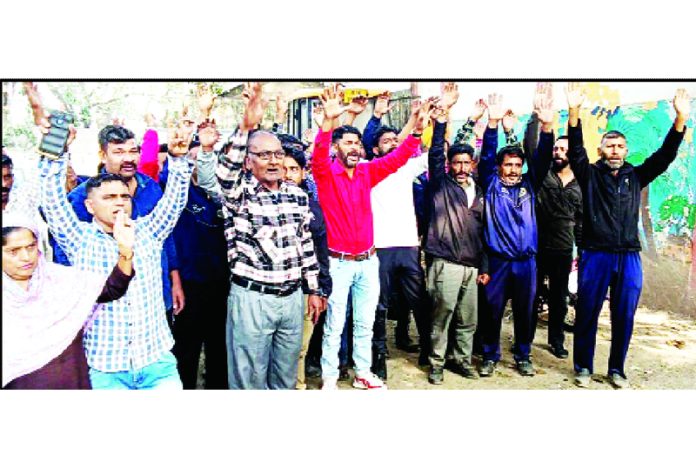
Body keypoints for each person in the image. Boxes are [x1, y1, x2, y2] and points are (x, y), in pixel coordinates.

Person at [39, 117, 195, 390]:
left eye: (123, 197)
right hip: (105, 367)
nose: (119, 203)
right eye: (109, 198)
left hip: (156, 363)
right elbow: (52, 201)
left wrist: (179, 159)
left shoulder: (149, 230)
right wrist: (57, 152)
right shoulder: (78, 238)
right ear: (89, 206)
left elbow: (175, 201)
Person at [566, 84, 691, 388]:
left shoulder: (636, 176)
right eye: (610, 146)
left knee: (624, 316)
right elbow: (575, 149)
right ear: (601, 151)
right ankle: (583, 367)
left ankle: (616, 370)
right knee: (587, 313)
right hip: (595, 254)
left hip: (629, 257)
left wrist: (680, 119)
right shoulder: (589, 174)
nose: (615, 151)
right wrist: (574, 112)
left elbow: (665, 156)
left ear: (626, 151)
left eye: (620, 146)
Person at [311, 84, 430, 390]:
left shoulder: (367, 173)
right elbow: (318, 155)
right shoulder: (325, 175)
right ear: (337, 147)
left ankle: (363, 372)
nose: (353, 148)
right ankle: (329, 377)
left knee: (365, 322)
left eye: (356, 144)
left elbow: (396, 159)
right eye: (347, 143)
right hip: (338, 264)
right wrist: (328, 122)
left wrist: (416, 132)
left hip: (368, 261)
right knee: (335, 325)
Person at [216, 82, 325, 390]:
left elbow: (305, 245)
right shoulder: (239, 194)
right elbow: (225, 173)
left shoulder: (297, 195)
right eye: (264, 155)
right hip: (253, 299)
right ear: (248, 161)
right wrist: (245, 127)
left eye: (278, 154)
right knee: (248, 378)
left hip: (292, 299)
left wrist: (313, 290)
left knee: (285, 379)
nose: (274, 161)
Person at [2, 211, 135, 389]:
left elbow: (112, 288)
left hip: (74, 382)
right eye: (13, 251)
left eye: (31, 247)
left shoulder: (60, 279)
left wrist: (125, 252)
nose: (26, 257)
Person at [477, 87, 555, 377]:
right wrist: (493, 123)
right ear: (499, 168)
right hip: (497, 262)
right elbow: (485, 155)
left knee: (526, 313)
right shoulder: (490, 183)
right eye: (507, 165)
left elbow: (544, 158)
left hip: (526, 263)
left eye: (517, 165)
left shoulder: (529, 185)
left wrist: (547, 127)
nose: (512, 169)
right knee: (492, 311)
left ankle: (523, 355)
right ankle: (489, 355)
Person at [422, 85, 490, 385]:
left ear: (473, 164)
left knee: (468, 319)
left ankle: (460, 360)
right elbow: (436, 153)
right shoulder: (440, 185)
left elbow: (484, 232)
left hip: (471, 266)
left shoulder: (480, 191)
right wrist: (441, 119)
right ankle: (436, 362)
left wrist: (483, 266)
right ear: (450, 165)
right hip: (445, 263)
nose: (462, 167)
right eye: (457, 162)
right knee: (441, 315)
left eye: (467, 162)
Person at [169, 138, 230, 390]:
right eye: (192, 158)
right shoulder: (178, 196)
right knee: (187, 349)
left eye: (204, 158)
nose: (198, 163)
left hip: (223, 285)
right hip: (190, 284)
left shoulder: (225, 195)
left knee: (220, 346)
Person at [528, 116, 583, 359]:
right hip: (537, 246)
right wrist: (535, 119)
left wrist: (581, 251)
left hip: (563, 250)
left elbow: (581, 220)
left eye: (563, 149)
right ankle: (525, 339)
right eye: (556, 148)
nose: (558, 153)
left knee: (559, 300)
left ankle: (556, 341)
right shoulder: (542, 174)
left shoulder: (581, 182)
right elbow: (530, 146)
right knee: (532, 295)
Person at [281, 146, 332, 390]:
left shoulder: (313, 208)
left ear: (303, 173)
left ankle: (298, 387)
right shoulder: (262, 206)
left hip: (306, 290)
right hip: (273, 293)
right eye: (284, 169)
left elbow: (321, 250)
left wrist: (321, 289)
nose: (288, 175)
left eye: (294, 169)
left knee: (299, 348)